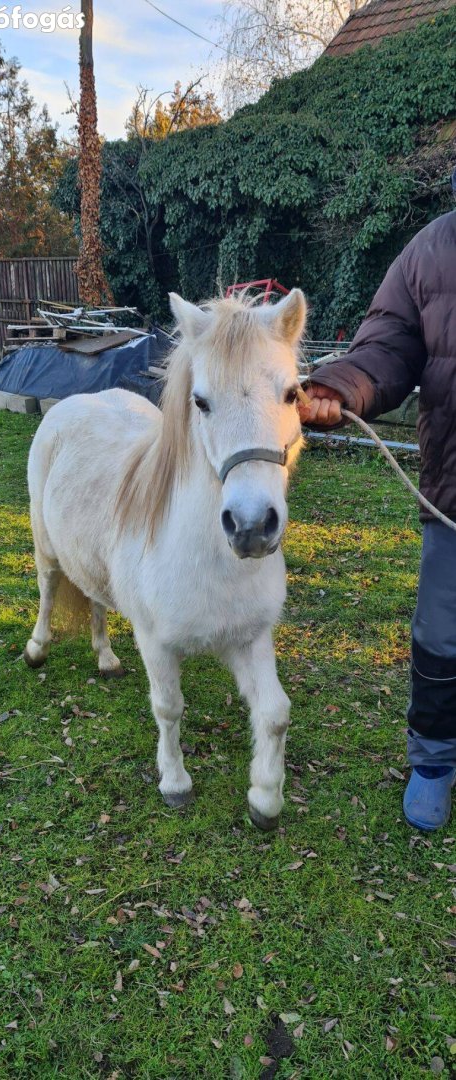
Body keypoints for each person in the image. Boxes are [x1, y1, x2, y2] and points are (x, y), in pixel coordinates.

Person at [298, 185, 456, 831]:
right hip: (451, 492)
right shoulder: (431, 250)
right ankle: (433, 763)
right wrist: (338, 385)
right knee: (439, 634)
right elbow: (387, 346)